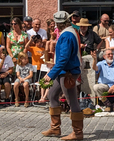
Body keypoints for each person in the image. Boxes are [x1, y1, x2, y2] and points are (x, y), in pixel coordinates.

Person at [41, 11, 83, 140]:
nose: (54, 26)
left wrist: (50, 74)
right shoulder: (69, 32)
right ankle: (55, 128)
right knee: (52, 94)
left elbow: (63, 59)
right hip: (64, 71)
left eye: (55, 24)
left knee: (72, 101)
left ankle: (77, 132)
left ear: (59, 24)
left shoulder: (66, 35)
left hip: (68, 72)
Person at [92, 48, 114, 113]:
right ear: (104, 56)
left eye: (112, 54)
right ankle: (107, 105)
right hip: (105, 85)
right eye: (109, 54)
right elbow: (95, 68)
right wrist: (94, 59)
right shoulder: (101, 63)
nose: (111, 55)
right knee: (95, 87)